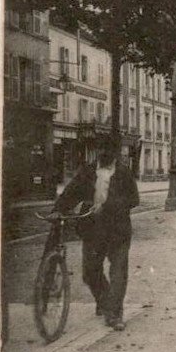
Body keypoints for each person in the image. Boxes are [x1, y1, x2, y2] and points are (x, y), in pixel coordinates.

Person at [53, 135, 139, 331]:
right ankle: (106, 302)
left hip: (118, 230)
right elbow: (71, 192)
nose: (104, 153)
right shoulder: (89, 171)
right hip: (93, 229)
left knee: (118, 273)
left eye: (108, 150)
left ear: (115, 153)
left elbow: (134, 199)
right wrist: (58, 209)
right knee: (90, 272)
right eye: (101, 149)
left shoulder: (124, 173)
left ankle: (114, 315)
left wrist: (108, 206)